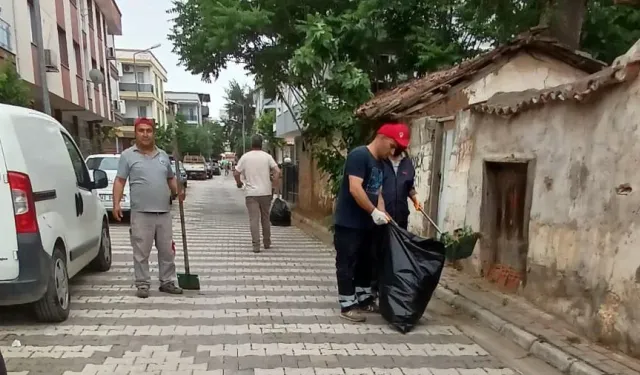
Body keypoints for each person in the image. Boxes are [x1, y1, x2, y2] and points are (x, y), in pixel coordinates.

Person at [333, 123, 410, 322]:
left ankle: (364, 299)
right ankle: (347, 304)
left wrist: (383, 213)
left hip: (367, 224)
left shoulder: (380, 163)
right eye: (392, 146)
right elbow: (355, 188)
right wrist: (373, 211)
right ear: (382, 137)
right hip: (349, 223)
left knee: (366, 262)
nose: (393, 151)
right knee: (347, 263)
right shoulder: (359, 156)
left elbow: (378, 192)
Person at [113, 117, 185, 299]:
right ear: (136, 133)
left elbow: (170, 178)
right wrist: (116, 203)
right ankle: (143, 283)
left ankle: (167, 281)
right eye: (141, 130)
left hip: (164, 212)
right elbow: (120, 180)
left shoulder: (162, 156)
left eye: (149, 130)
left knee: (167, 250)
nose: (145, 134)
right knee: (141, 251)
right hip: (141, 212)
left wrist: (179, 191)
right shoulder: (128, 156)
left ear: (154, 133)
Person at [234, 135, 281, 253]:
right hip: (266, 192)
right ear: (261, 144)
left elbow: (236, 173)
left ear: (251, 144)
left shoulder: (245, 157)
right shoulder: (267, 157)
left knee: (253, 219)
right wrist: (274, 185)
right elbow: (277, 171)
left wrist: (239, 183)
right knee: (265, 218)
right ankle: (267, 242)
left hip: (251, 194)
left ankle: (256, 246)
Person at [381, 148, 421, 229]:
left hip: (401, 220)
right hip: (381, 219)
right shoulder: (379, 161)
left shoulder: (407, 164)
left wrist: (415, 198)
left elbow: (409, 187)